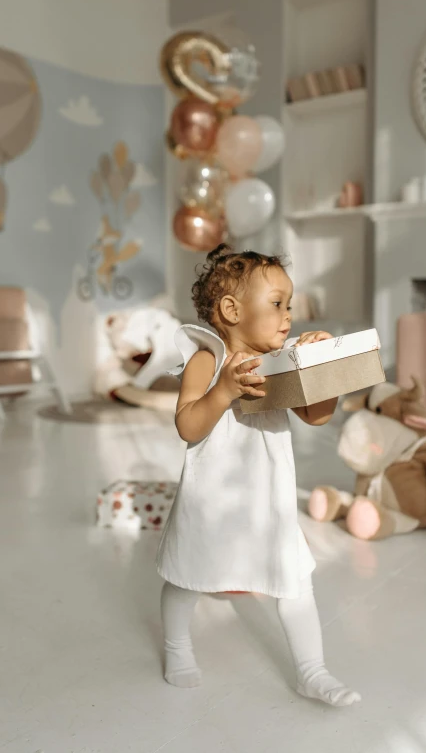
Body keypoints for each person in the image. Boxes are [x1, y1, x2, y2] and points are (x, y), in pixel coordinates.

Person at [156, 244, 361, 708]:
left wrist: (321, 364)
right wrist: (224, 390)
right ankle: (177, 646)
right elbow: (188, 426)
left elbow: (317, 416)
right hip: (211, 496)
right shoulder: (207, 360)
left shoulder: (282, 360)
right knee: (188, 576)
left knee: (294, 579)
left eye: (289, 305)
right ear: (231, 310)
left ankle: (312, 670)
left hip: (267, 499)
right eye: (276, 304)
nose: (288, 316)